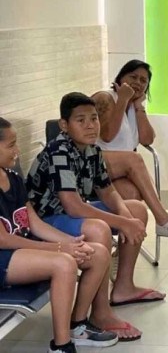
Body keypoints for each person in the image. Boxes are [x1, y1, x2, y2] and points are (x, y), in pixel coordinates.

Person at [26, 93, 166, 324]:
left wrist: (125, 215)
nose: (90, 125)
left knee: (136, 210)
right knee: (99, 229)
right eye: (81, 120)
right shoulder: (59, 151)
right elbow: (73, 206)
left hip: (69, 214)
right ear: (64, 125)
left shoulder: (92, 150)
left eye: (94, 118)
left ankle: (123, 288)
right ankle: (100, 312)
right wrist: (122, 223)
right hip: (47, 220)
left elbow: (107, 190)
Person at [0, 117, 121, 353]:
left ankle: (78, 325)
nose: (17, 150)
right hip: (4, 255)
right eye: (11, 145)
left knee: (97, 253)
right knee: (64, 263)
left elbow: (34, 223)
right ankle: (61, 345)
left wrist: (71, 243)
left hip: (20, 251)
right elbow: (3, 239)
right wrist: (58, 249)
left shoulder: (13, 178)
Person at [91, 60, 168, 238]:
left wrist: (138, 106)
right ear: (120, 78)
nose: (138, 83)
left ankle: (123, 249)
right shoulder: (105, 98)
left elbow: (147, 139)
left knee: (132, 195)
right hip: (91, 163)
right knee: (134, 159)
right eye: (133, 77)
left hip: (115, 172)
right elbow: (108, 135)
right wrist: (122, 99)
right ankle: (163, 219)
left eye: (143, 81)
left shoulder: (133, 106)